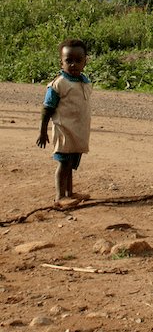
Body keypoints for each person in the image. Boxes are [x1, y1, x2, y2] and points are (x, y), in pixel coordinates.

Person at [37, 38, 93, 207]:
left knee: (71, 164)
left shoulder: (85, 82)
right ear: (61, 62)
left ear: (85, 61)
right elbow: (47, 108)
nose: (74, 64)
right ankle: (60, 197)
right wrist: (42, 131)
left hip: (77, 131)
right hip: (64, 130)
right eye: (69, 61)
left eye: (78, 60)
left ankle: (70, 193)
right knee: (63, 163)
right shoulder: (58, 84)